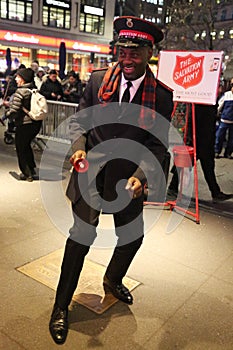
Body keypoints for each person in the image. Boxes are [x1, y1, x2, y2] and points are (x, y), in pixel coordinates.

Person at [49, 16, 173, 345]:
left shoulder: (161, 95)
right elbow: (79, 123)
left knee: (132, 238)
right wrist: (77, 150)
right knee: (79, 240)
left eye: (135, 52)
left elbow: (157, 144)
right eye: (122, 50)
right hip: (90, 172)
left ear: (150, 52)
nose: (127, 58)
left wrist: (140, 175)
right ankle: (60, 307)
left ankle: (112, 280)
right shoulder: (97, 81)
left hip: (127, 179)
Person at [167, 103, 232, 203]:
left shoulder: (208, 102)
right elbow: (192, 119)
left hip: (205, 139)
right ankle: (172, 188)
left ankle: (215, 192)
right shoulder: (199, 101)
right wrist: (189, 138)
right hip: (197, 139)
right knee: (185, 164)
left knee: (207, 165)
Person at [5, 67, 42, 181]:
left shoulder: (20, 91)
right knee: (26, 146)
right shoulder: (33, 90)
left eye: (18, 77)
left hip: (25, 124)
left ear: (23, 79)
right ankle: (32, 168)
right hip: (35, 123)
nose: (16, 79)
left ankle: (27, 173)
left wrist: (7, 114)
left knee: (21, 147)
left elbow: (15, 111)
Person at [215, 77, 233, 159]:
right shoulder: (227, 95)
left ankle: (228, 153)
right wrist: (217, 114)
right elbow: (219, 105)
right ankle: (216, 151)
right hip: (224, 120)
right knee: (219, 136)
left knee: (231, 139)